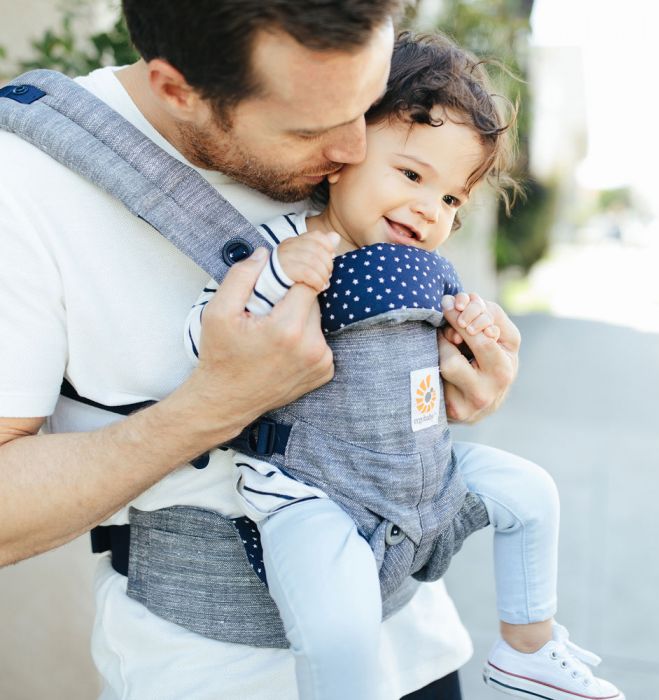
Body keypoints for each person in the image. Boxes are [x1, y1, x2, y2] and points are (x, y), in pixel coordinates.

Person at [0, 3, 520, 699]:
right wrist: (217, 404)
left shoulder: (351, 113)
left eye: (366, 104)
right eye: (312, 127)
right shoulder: (23, 188)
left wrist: (442, 382)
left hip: (413, 643)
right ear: (178, 90)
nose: (355, 148)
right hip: (210, 671)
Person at [186, 32, 624, 700]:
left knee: (531, 492)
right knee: (339, 624)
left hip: (419, 474)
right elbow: (203, 336)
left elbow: (448, 371)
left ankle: (528, 647)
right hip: (315, 487)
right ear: (341, 155)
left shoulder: (428, 271)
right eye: (413, 176)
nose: (429, 208)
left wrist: (472, 336)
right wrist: (277, 275)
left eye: (451, 200)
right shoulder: (284, 246)